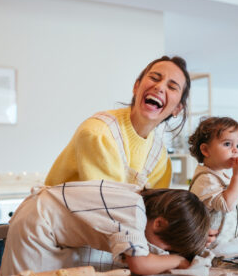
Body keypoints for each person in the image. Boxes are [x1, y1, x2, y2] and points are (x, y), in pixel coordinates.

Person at [0, 180, 210, 276]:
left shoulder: (139, 201)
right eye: (169, 247)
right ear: (159, 224)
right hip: (37, 224)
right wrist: (178, 261)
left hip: (49, 226)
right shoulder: (134, 210)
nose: (164, 252)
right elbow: (139, 263)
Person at [45, 56, 191, 189]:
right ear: (136, 86)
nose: (159, 87)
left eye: (172, 87)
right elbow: (106, 206)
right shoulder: (98, 133)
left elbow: (153, 212)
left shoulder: (159, 158)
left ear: (177, 108)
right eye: (154, 78)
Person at [188, 117, 238, 246]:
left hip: (224, 243)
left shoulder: (220, 175)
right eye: (227, 144)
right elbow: (226, 205)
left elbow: (224, 202)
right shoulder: (205, 179)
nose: (235, 150)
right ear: (205, 150)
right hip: (209, 245)